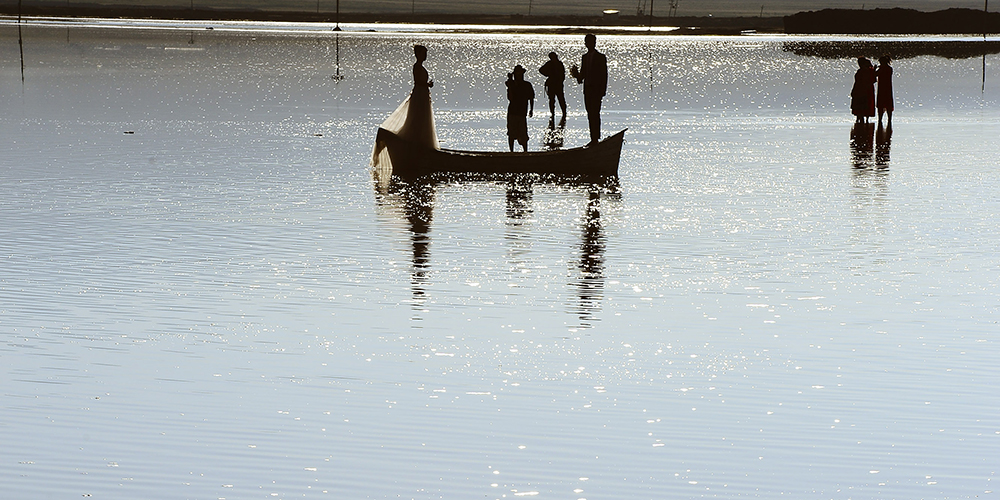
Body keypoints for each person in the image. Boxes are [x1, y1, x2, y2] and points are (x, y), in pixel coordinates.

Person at [570, 33, 608, 145]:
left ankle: (595, 137)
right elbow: (583, 76)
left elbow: (604, 74)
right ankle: (593, 138)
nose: (589, 44)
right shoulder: (584, 57)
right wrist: (576, 75)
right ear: (586, 43)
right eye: (587, 42)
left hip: (596, 90)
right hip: (587, 89)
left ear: (594, 43)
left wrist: (603, 89)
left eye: (591, 42)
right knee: (589, 113)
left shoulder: (601, 57)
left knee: (595, 113)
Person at [505, 65, 535, 152]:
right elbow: (510, 97)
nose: (519, 76)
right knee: (511, 133)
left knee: (523, 133)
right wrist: (510, 81)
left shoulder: (527, 85)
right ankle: (511, 151)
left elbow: (531, 98)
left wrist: (531, 109)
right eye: (517, 74)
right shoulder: (512, 84)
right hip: (513, 112)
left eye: (520, 74)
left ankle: (525, 151)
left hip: (521, 112)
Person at [538, 52, 567, 123]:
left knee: (560, 99)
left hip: (558, 84)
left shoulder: (559, 64)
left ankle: (564, 113)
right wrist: (548, 74)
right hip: (552, 84)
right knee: (552, 100)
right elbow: (541, 70)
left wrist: (560, 80)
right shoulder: (549, 64)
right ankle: (553, 113)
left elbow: (563, 74)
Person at [850, 57, 876, 124]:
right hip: (865, 90)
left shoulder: (862, 71)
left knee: (861, 104)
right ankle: (864, 120)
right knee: (864, 104)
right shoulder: (867, 71)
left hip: (861, 90)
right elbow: (873, 80)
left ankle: (860, 120)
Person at [875, 55, 893, 127]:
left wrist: (874, 69)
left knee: (881, 104)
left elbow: (875, 75)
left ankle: (880, 119)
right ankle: (889, 119)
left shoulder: (882, 69)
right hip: (888, 88)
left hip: (882, 88)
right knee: (888, 103)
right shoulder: (889, 68)